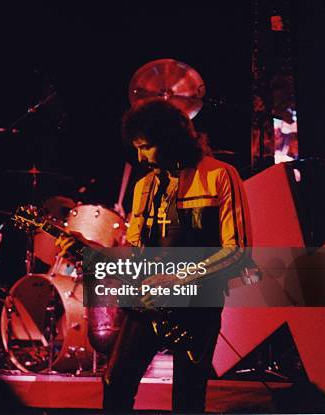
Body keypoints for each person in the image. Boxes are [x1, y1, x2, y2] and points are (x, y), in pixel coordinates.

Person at [102, 100, 251, 413]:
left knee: (187, 398)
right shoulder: (144, 186)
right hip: (149, 304)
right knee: (115, 382)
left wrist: (178, 279)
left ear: (172, 139)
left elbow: (238, 250)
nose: (140, 157)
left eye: (147, 147)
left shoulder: (221, 176)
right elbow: (137, 251)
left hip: (198, 305)